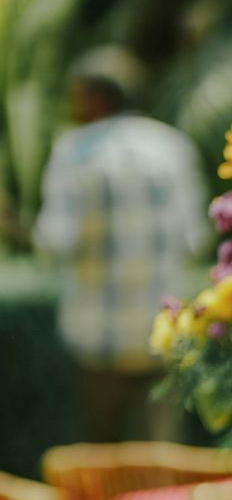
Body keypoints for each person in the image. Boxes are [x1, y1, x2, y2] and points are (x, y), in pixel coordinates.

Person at [35, 47, 206, 442]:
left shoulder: (75, 151)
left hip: (98, 340)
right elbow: (193, 239)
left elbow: (57, 240)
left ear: (96, 98)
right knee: (156, 456)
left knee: (97, 458)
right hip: (159, 335)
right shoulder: (172, 147)